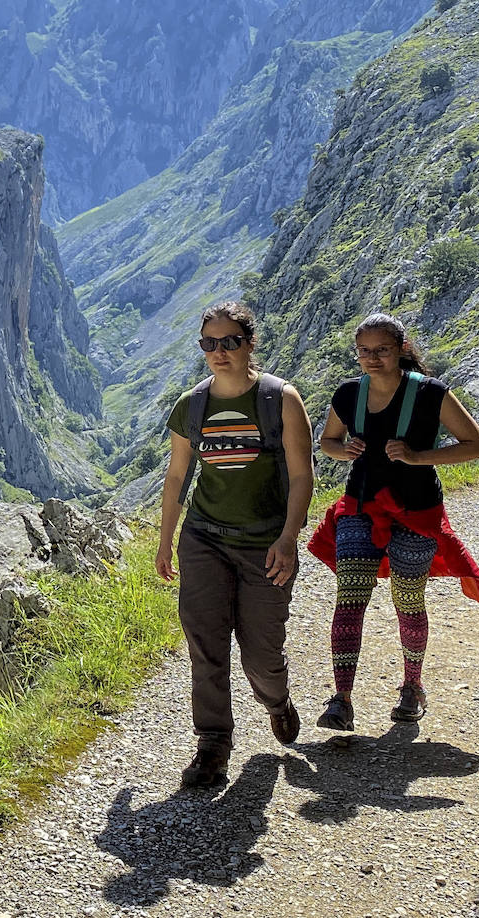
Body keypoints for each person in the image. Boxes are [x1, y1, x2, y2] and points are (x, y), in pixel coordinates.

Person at [308, 313, 479, 733]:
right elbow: (327, 441)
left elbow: (476, 446)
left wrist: (417, 457)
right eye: (364, 351)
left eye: (382, 350)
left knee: (408, 598)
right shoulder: (348, 394)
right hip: (359, 507)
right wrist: (343, 451)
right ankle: (341, 700)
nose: (372, 358)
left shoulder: (431, 394)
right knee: (350, 596)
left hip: (415, 508)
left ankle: (412, 687)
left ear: (402, 350)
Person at [155, 301, 315, 787]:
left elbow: (303, 474)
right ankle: (212, 746)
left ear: (250, 344)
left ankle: (276, 700)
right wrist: (165, 542)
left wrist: (289, 537)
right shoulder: (192, 405)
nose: (219, 352)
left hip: (264, 544)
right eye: (210, 344)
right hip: (204, 538)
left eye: (230, 342)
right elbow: (178, 475)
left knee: (261, 654)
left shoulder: (280, 400)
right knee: (205, 645)